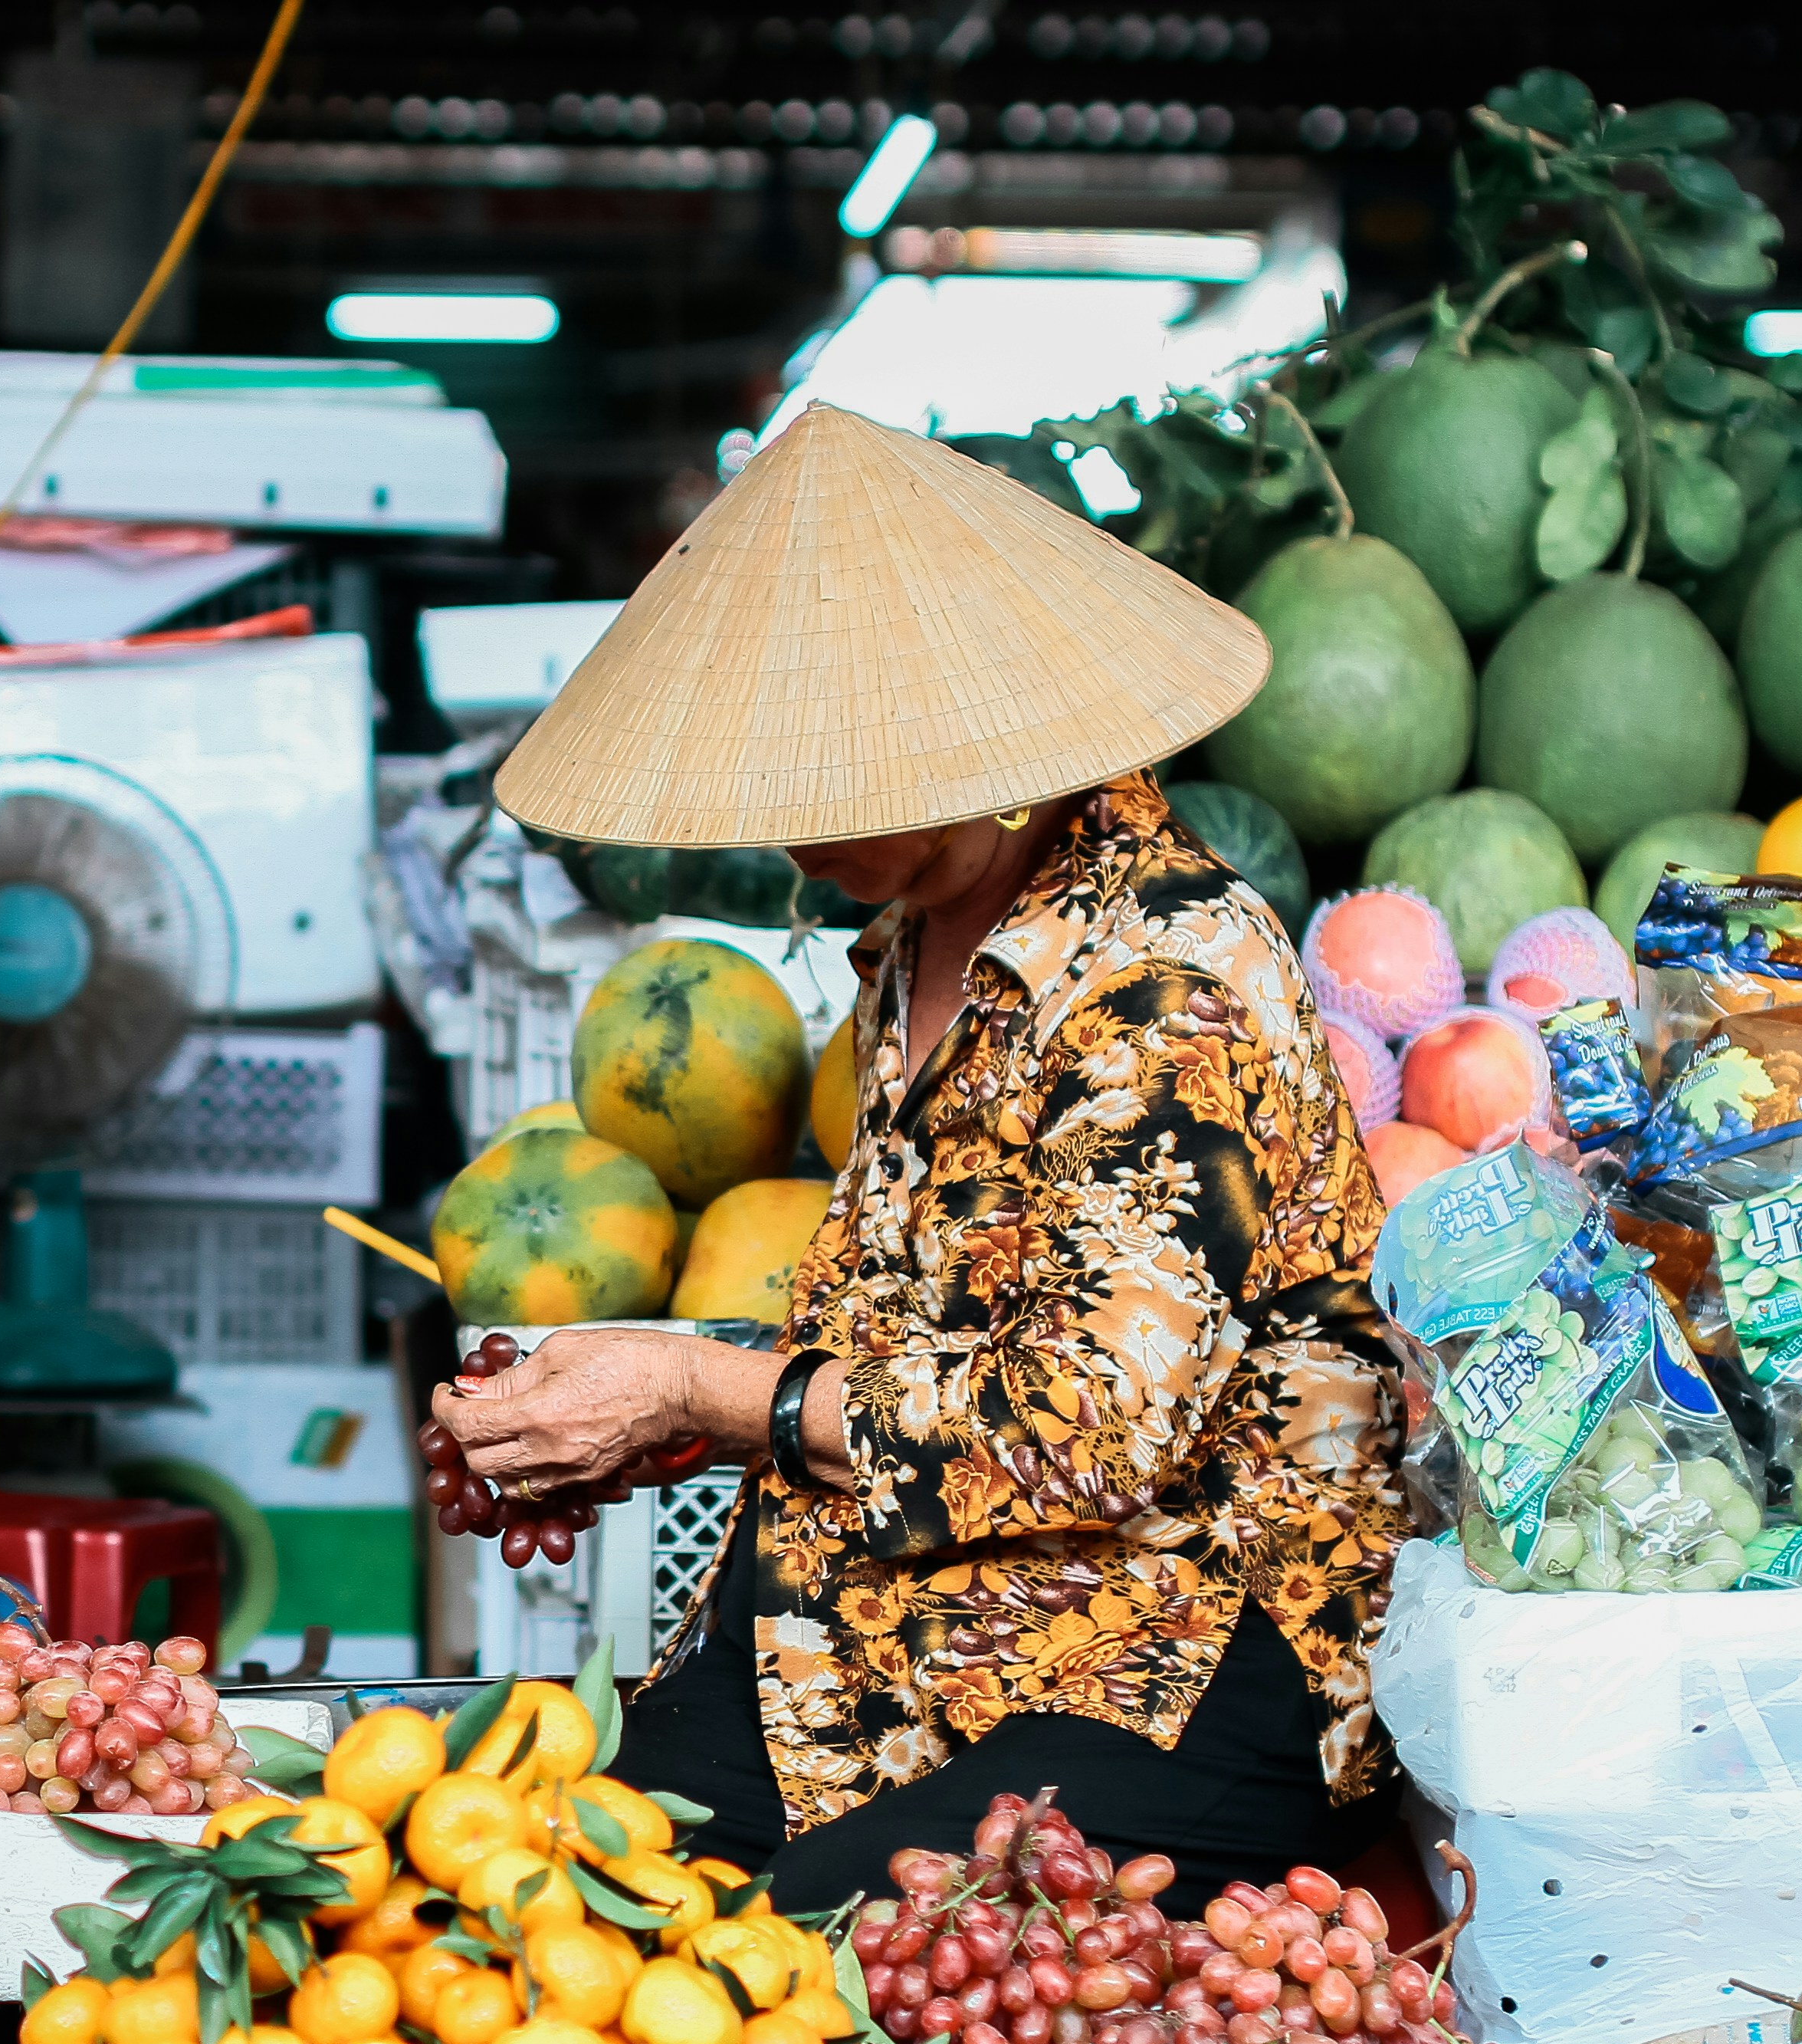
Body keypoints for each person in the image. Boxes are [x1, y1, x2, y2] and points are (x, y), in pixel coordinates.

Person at [441, 403, 1410, 1912]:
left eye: (836, 793)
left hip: (1183, 1629)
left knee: (785, 1977)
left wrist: (706, 1384)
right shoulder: (912, 944)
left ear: (991, 761)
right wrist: (656, 1416)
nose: (793, 844)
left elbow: (1092, 1432)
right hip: (907, 1581)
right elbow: (928, 1328)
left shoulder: (1165, 987)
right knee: (555, 1902)